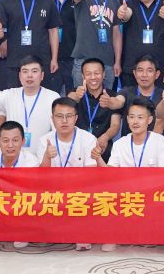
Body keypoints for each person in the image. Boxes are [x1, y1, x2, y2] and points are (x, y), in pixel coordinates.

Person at [33, 98, 98, 251]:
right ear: (52, 118)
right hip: (53, 190)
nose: (64, 121)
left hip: (80, 189)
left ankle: (82, 233)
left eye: (69, 116)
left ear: (76, 118)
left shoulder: (88, 139)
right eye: (59, 116)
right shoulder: (44, 140)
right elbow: (41, 177)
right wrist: (47, 157)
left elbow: (92, 174)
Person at [0, 56, 59, 156]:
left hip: (41, 156)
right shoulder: (10, 94)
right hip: (13, 156)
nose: (29, 75)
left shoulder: (53, 97)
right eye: (25, 71)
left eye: (34, 71)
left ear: (42, 75)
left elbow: (58, 130)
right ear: (20, 76)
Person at [69, 0, 124, 89]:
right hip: (83, 59)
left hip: (107, 62)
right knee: (81, 98)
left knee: (106, 99)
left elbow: (116, 34)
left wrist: (117, 61)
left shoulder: (113, 1)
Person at [66, 58, 123, 161]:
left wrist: (105, 137)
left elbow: (115, 124)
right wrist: (77, 96)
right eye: (88, 74)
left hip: (102, 145)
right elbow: (70, 98)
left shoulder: (112, 96)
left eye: (97, 73)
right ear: (83, 76)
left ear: (104, 74)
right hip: (77, 146)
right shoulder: (77, 92)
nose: (93, 77)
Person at [103, 96, 164, 170]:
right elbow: (110, 172)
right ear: (127, 119)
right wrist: (98, 158)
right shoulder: (119, 144)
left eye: (140, 117)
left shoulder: (159, 141)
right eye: (132, 117)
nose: (135, 122)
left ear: (149, 119)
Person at [46, 0, 78, 94]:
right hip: (50, 59)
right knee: (50, 99)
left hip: (73, 58)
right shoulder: (45, 0)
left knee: (73, 99)